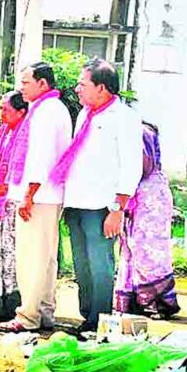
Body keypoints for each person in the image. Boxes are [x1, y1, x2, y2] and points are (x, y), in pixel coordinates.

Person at [54, 58, 143, 333]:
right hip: (76, 201)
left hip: (102, 205)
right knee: (81, 262)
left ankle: (100, 320)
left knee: (100, 262)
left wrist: (118, 208)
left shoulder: (124, 118)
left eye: (83, 84)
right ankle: (87, 316)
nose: (77, 89)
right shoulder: (85, 114)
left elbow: (131, 166)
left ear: (102, 88)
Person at [0, 62, 73, 333]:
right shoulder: (51, 108)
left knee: (31, 257)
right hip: (47, 195)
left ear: (43, 84)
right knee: (46, 257)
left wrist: (28, 196)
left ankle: (27, 316)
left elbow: (41, 157)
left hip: (38, 196)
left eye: (26, 82)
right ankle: (44, 312)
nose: (21, 87)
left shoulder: (45, 112)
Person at [114, 123, 180, 319]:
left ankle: (157, 303)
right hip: (134, 197)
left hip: (150, 200)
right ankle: (136, 301)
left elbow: (143, 166)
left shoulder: (140, 135)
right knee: (129, 250)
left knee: (147, 250)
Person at [0, 91, 28, 322]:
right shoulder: (5, 132)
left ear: (21, 112)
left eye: (5, 110)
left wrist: (4, 188)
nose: (1, 114)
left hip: (15, 200)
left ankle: (14, 305)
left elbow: (23, 169)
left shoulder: (24, 134)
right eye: (0, 109)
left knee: (11, 253)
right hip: (0, 200)